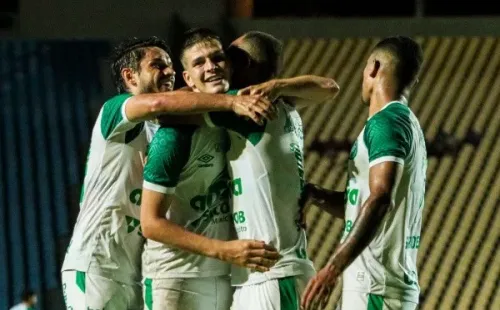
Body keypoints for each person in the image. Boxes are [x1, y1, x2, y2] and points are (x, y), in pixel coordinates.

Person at [61, 36, 274, 310]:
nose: (169, 71)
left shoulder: (164, 129)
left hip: (133, 270)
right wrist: (230, 102)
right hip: (95, 264)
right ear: (130, 76)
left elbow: (181, 101)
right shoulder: (115, 110)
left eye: (171, 66)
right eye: (158, 65)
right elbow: (157, 104)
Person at [140, 28, 279, 310]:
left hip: (223, 276)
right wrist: (224, 250)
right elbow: (151, 223)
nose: (211, 67)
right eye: (199, 63)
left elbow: (323, 90)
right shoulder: (174, 135)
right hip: (174, 276)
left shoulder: (237, 119)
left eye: (217, 58)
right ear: (187, 79)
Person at [204, 31, 340, 309]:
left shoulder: (250, 109)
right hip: (271, 275)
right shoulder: (286, 106)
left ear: (246, 66)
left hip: (274, 277)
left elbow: (170, 105)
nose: (219, 68)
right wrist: (279, 85)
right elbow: (329, 87)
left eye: (227, 60)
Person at [300, 36, 426, 310]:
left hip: (376, 286)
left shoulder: (386, 122)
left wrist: (331, 269)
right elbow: (362, 203)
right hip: (382, 286)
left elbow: (380, 199)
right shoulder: (405, 124)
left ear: (374, 68)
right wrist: (316, 194)